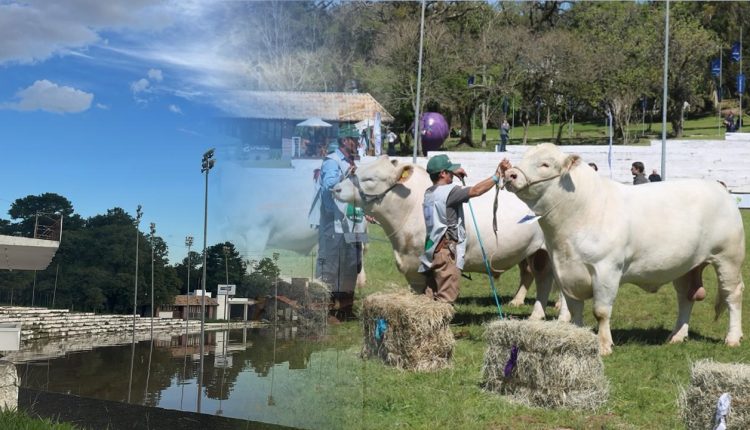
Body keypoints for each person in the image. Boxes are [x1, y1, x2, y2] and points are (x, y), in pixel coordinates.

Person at [418, 154, 504, 304]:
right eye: (449, 171)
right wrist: (497, 176)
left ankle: (427, 326)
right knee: (446, 296)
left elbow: (444, 189)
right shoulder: (450, 192)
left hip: (432, 250)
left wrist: (453, 174)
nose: (452, 173)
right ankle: (441, 327)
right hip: (447, 252)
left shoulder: (429, 193)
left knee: (431, 296)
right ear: (443, 173)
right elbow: (476, 190)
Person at [316, 130, 362, 320]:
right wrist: (346, 173)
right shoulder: (332, 161)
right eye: (355, 140)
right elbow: (329, 185)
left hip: (353, 222)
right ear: (345, 141)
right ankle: (324, 309)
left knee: (353, 263)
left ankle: (346, 309)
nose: (358, 143)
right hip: (333, 222)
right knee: (330, 265)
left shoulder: (352, 161)